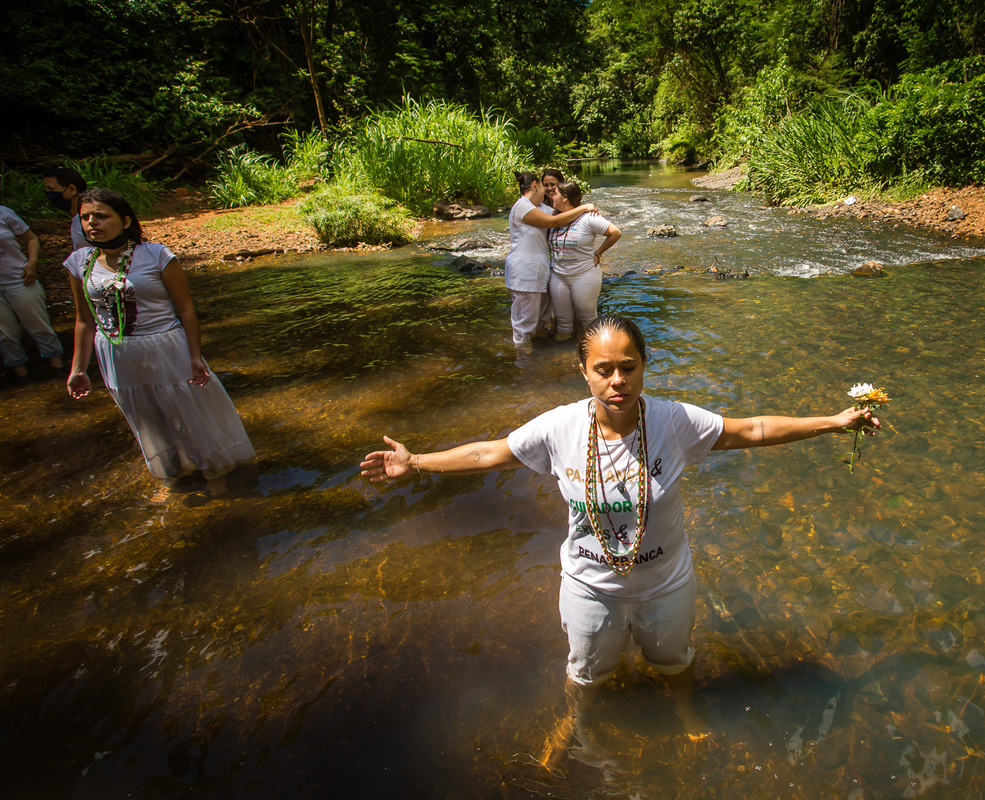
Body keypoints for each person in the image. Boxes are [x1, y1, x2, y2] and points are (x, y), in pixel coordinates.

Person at [359, 315, 881, 751]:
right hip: (591, 588)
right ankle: (576, 723)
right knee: (584, 673)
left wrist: (834, 423)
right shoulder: (559, 428)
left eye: (628, 368)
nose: (617, 382)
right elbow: (491, 452)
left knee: (677, 663)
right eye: (603, 370)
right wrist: (418, 461)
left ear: (644, 367)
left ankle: (685, 710)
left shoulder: (676, 421)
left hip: (666, 584)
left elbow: (753, 429)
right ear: (583, 372)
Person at [64, 189, 255, 488]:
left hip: (165, 345)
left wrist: (195, 356)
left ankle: (215, 472)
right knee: (145, 418)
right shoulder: (79, 262)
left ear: (125, 221)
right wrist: (78, 368)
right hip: (115, 354)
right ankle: (173, 475)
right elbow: (84, 320)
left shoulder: (156, 255)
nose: (92, 223)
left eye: (101, 216)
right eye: (85, 217)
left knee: (189, 410)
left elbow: (186, 309)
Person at [505, 172, 597, 353]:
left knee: (541, 320)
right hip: (523, 272)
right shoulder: (522, 206)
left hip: (540, 272)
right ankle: (524, 361)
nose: (549, 194)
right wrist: (584, 207)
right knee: (525, 323)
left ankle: (542, 359)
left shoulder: (538, 206)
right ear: (534, 185)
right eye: (543, 187)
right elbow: (553, 221)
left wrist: (590, 216)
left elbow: (564, 213)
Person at [548, 181, 621, 341]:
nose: (552, 196)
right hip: (558, 276)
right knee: (563, 323)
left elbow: (615, 232)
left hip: (584, 275)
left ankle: (594, 351)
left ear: (565, 197)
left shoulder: (589, 218)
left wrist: (598, 252)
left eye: (555, 194)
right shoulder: (554, 218)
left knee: (588, 320)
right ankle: (560, 357)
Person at [0, 206, 65, 379]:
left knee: (39, 325)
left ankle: (58, 367)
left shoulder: (4, 213)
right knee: (5, 334)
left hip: (20, 277)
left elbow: (31, 239)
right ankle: (22, 377)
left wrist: (32, 264)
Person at [42, 167, 89, 251]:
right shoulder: (77, 217)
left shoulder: (88, 220)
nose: (49, 193)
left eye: (51, 189)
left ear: (72, 190)